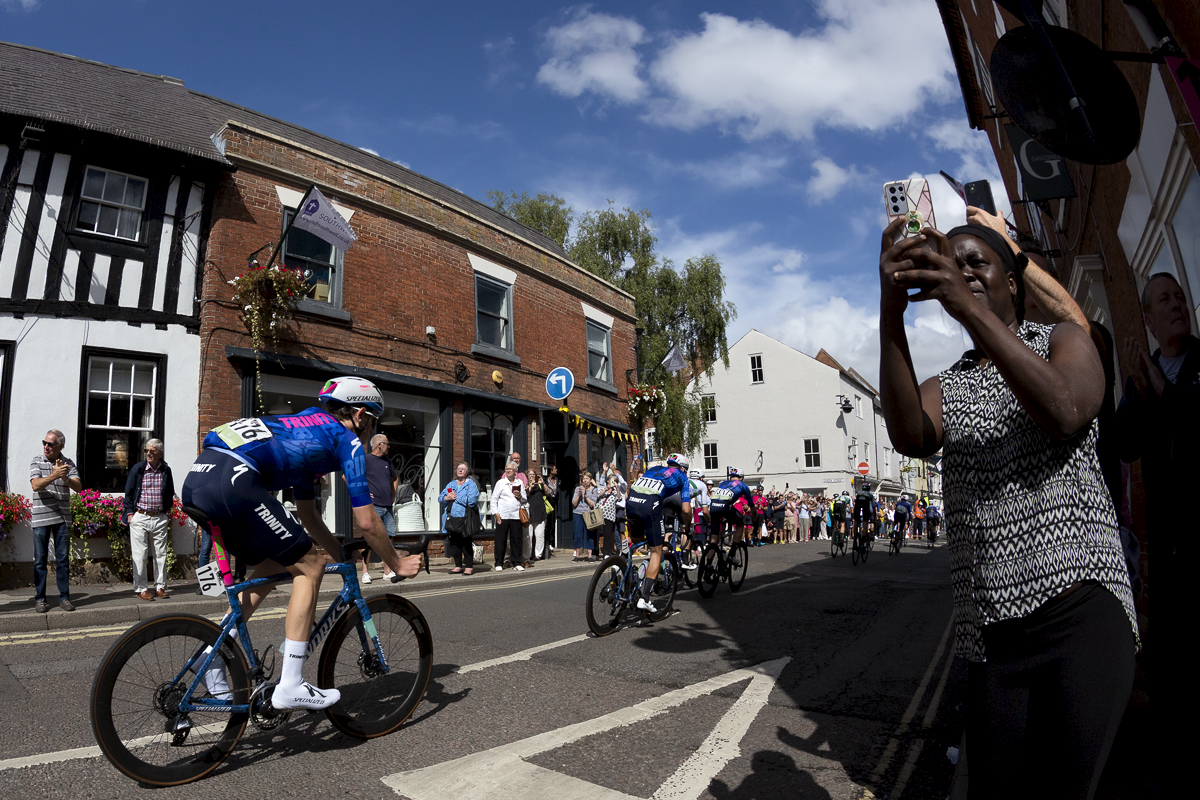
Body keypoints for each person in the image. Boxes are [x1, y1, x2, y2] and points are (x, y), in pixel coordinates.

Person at [878, 217, 1138, 797]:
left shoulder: (1065, 341)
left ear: (1013, 282)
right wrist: (890, 307)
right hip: (993, 641)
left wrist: (971, 313)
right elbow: (908, 435)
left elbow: (1067, 408)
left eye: (976, 262)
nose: (964, 271)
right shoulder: (950, 385)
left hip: (1079, 619)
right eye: (953, 262)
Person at [181, 377, 422, 710]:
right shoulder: (346, 441)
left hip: (199, 479)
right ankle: (290, 684)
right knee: (311, 566)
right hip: (235, 479)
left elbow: (308, 515)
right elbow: (367, 521)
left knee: (279, 560)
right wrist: (396, 562)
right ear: (361, 414)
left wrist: (340, 556)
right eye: (372, 421)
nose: (369, 430)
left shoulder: (307, 428)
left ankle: (210, 654)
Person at [1114, 271, 1199, 794]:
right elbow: (1124, 445)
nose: (1175, 305)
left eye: (1178, 297)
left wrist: (1159, 387)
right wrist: (1139, 392)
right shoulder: (1143, 377)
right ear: (1146, 317)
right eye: (1162, 301)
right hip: (1167, 547)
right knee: (1169, 662)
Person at [625, 453, 692, 613]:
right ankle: (644, 598)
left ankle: (621, 565)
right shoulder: (682, 477)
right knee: (656, 551)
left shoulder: (654, 468)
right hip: (650, 504)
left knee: (637, 540)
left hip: (632, 500)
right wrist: (687, 527)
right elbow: (686, 509)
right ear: (683, 468)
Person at [29, 429, 81, 613]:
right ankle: (40, 599)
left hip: (62, 519)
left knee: (63, 561)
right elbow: (35, 485)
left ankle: (64, 597)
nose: (46, 446)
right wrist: (54, 475)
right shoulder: (37, 460)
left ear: (60, 446)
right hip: (41, 518)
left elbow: (79, 487)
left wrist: (65, 476)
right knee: (40, 561)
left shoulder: (68, 463)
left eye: (50, 444)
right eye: (44, 442)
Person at [121, 438, 175, 601]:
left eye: (152, 451)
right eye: (146, 451)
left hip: (159, 517)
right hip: (140, 516)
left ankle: (160, 587)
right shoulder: (138, 469)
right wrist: (130, 514)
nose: (149, 454)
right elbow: (128, 493)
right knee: (140, 554)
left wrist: (166, 512)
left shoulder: (166, 470)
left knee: (161, 554)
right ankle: (141, 588)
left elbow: (169, 492)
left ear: (160, 453)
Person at [361, 433, 399, 584]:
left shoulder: (387, 461)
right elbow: (349, 477)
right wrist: (362, 492)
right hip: (373, 506)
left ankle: (387, 571)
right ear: (379, 445)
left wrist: (393, 495)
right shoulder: (366, 459)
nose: (388, 447)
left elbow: (395, 478)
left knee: (388, 539)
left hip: (387, 506)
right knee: (369, 540)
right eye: (387, 444)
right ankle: (365, 573)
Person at [440, 461, 479, 575]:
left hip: (465, 518)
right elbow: (440, 498)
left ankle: (468, 566)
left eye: (463, 468)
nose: (460, 470)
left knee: (466, 542)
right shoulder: (451, 484)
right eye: (458, 468)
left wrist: (456, 498)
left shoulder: (471, 484)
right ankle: (458, 566)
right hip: (451, 517)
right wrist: (447, 497)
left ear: (467, 472)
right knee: (454, 542)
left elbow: (472, 501)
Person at [490, 462, 527, 571]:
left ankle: (517, 563)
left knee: (516, 540)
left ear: (515, 471)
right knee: (501, 540)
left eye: (510, 469)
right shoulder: (500, 483)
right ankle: (498, 563)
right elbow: (494, 499)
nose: (508, 471)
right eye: (506, 469)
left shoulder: (519, 482)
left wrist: (519, 495)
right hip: (503, 515)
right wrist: (495, 513)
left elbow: (525, 499)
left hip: (516, 515)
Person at [709, 468, 755, 546]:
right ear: (741, 478)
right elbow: (752, 506)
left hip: (713, 507)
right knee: (740, 524)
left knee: (714, 539)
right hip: (725, 508)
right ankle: (732, 552)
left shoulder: (723, 483)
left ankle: (709, 557)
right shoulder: (743, 485)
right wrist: (755, 518)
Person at [571, 472, 599, 561]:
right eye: (584, 479)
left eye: (587, 478)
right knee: (577, 534)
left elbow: (592, 504)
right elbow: (574, 503)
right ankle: (577, 555)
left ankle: (590, 555)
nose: (585, 480)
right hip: (577, 513)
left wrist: (586, 496)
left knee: (589, 534)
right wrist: (579, 494)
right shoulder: (577, 489)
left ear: (590, 480)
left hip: (588, 514)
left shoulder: (594, 490)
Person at [525, 466, 547, 564]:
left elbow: (549, 493)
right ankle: (528, 555)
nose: (532, 476)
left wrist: (543, 483)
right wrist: (530, 486)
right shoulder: (525, 485)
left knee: (539, 535)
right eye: (530, 474)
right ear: (527, 476)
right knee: (528, 536)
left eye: (533, 474)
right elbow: (527, 495)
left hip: (540, 512)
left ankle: (538, 554)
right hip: (529, 513)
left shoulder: (540, 485)